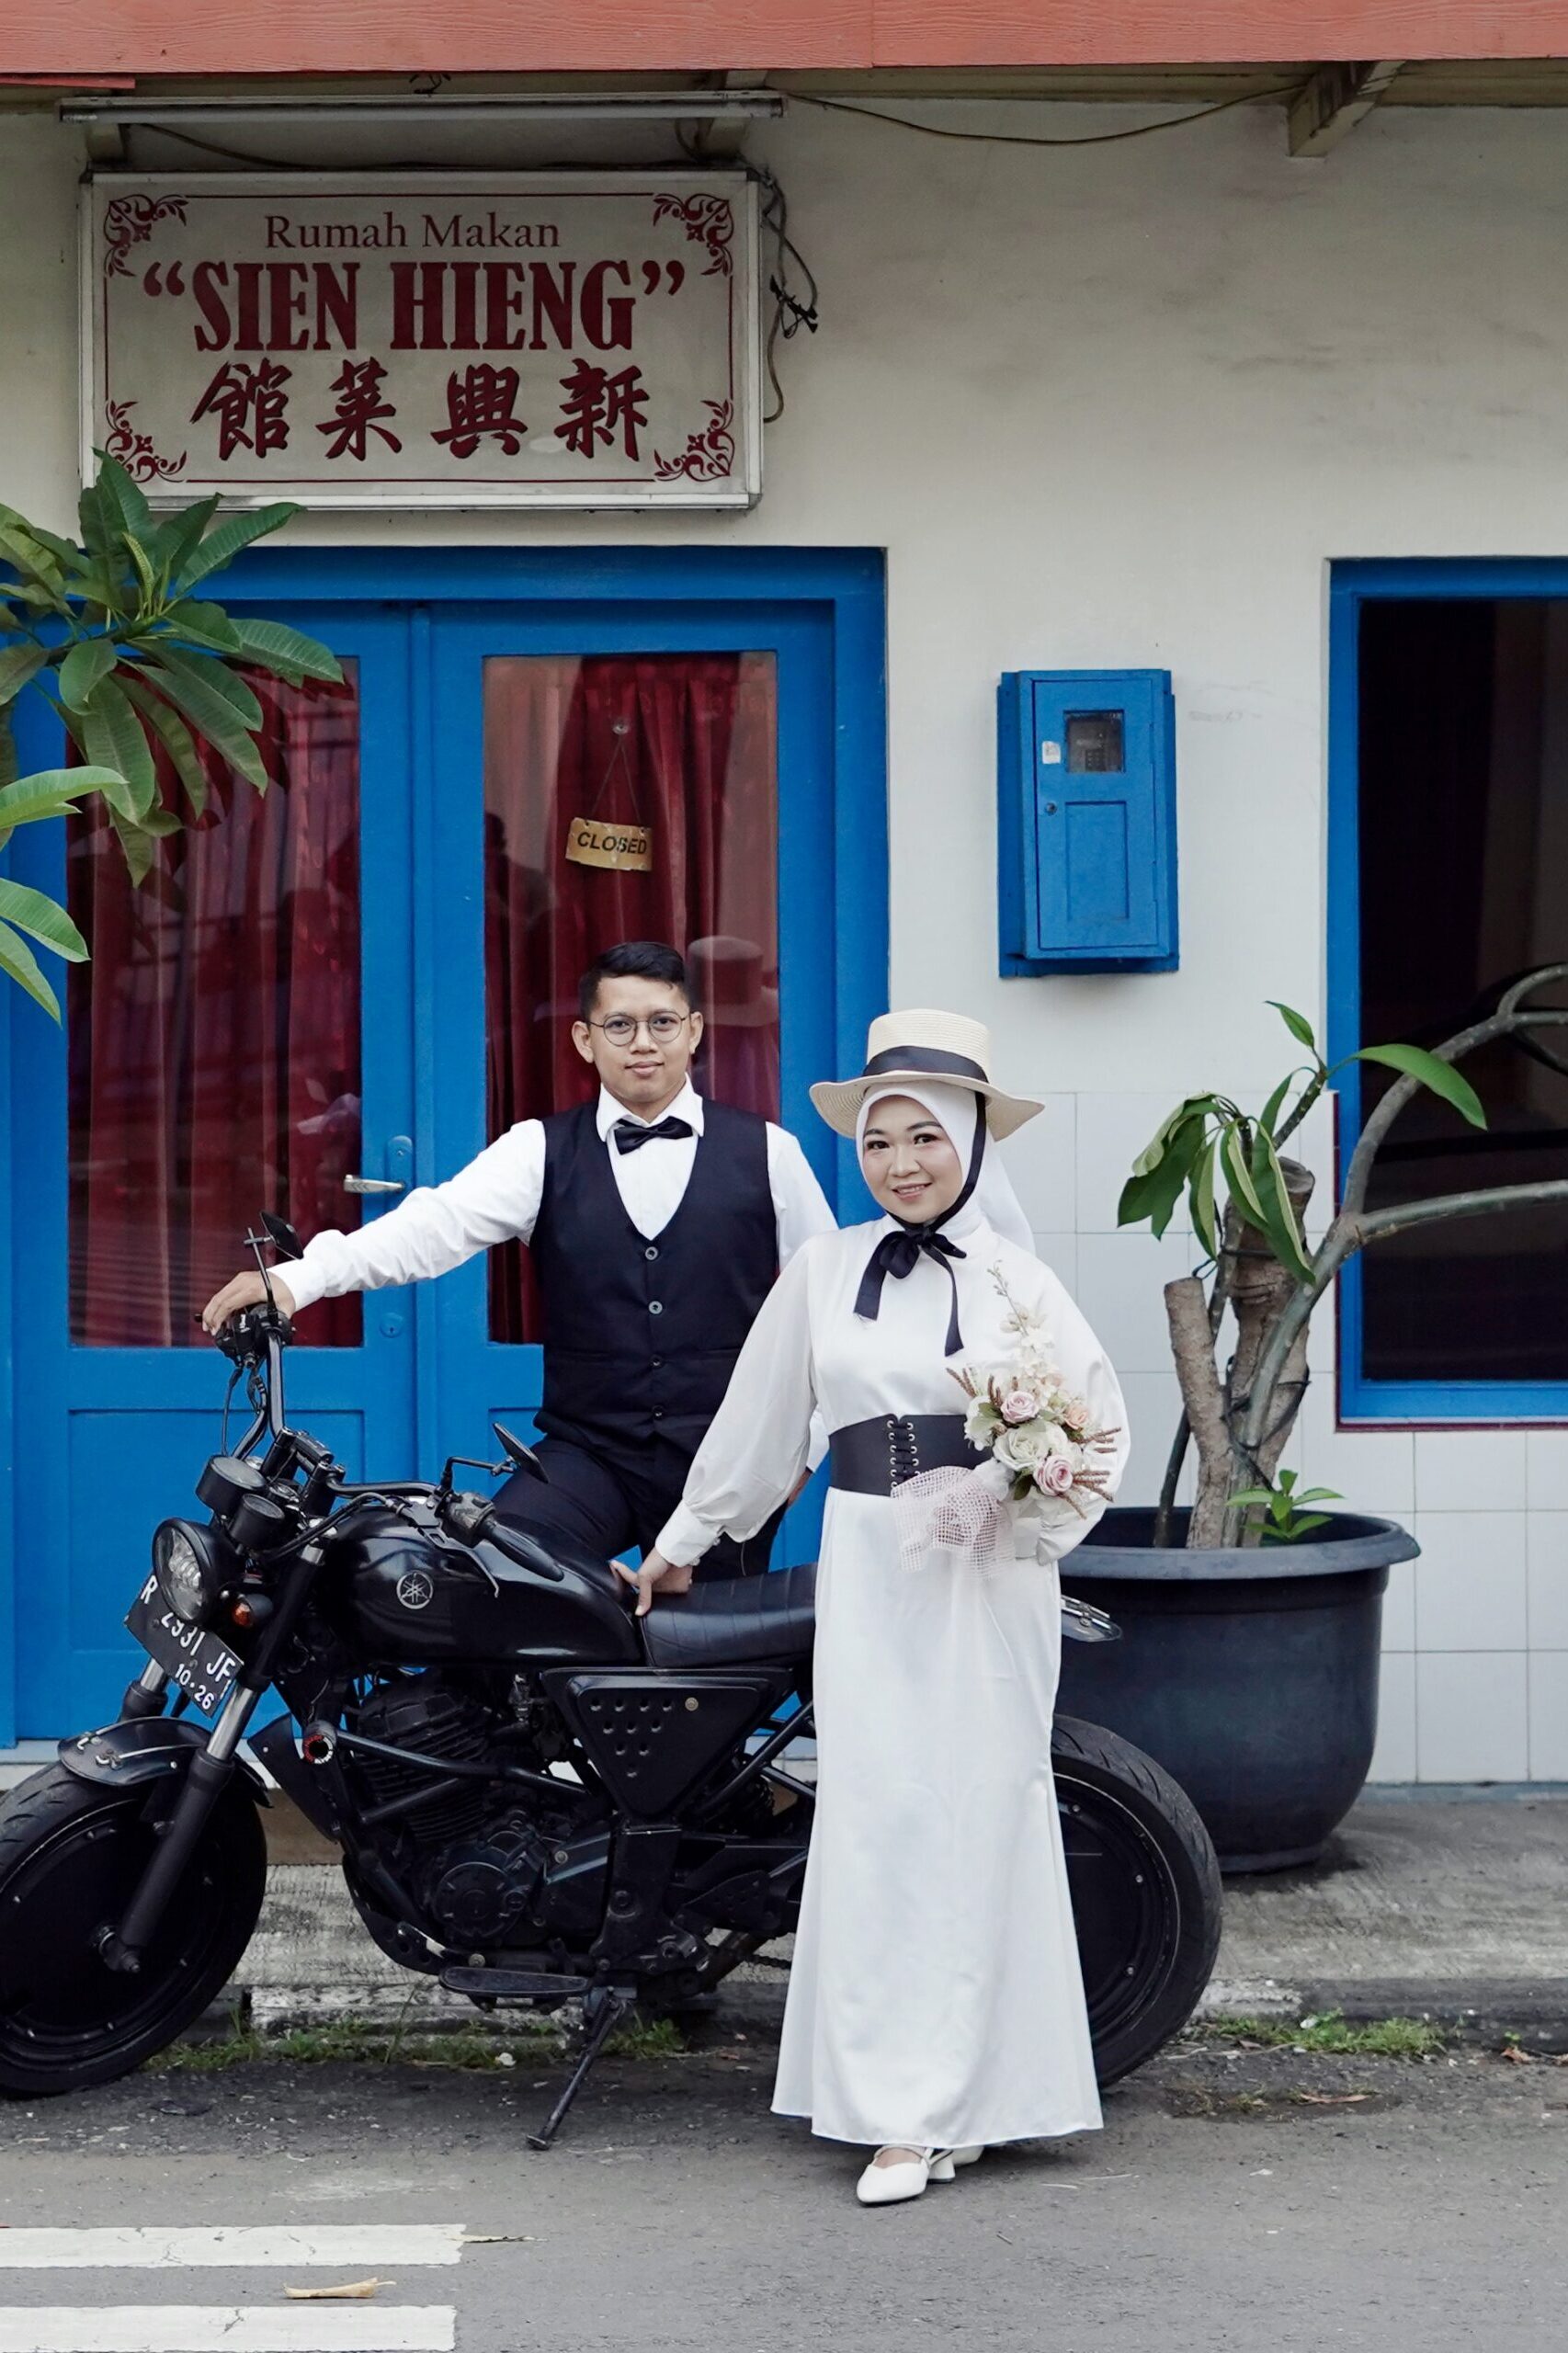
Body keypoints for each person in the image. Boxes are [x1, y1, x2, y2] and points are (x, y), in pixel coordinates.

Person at [623, 1010, 1130, 2202]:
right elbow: (759, 1425)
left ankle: (956, 2104)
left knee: (981, 1815)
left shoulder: (1020, 1283)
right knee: (880, 1815)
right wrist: (680, 1544)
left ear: (971, 1141)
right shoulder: (824, 1270)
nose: (901, 1163)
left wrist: (1012, 1500)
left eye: (925, 1137)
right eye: (879, 1141)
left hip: (988, 1580)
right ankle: (900, 2103)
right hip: (868, 1569)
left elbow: (1096, 1436)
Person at [202, 940, 835, 1578]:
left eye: (662, 1022)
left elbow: (831, 1315)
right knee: (495, 1578)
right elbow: (434, 1226)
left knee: (712, 1639)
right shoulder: (538, 1149)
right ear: (585, 1040)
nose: (643, 1042)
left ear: (693, 1031)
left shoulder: (769, 1152)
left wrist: (800, 1457)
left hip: (727, 1458)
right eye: (620, 1025)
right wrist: (301, 1277)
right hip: (590, 1455)